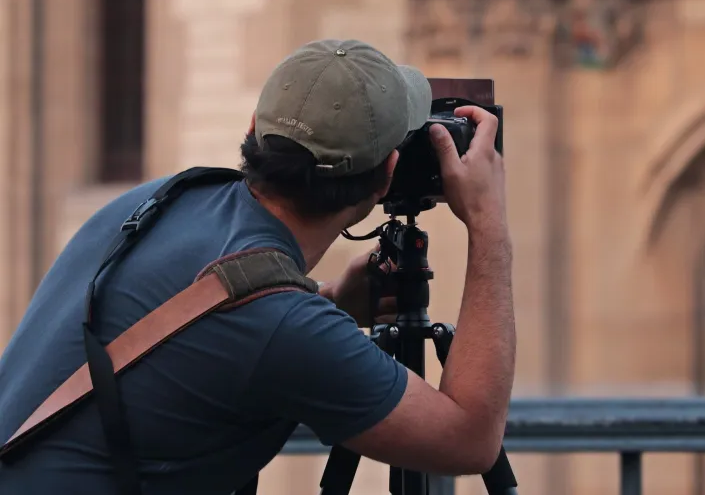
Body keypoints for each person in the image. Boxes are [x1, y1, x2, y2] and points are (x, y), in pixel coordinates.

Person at [0, 39, 515, 494]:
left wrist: (328, 301)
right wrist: (488, 225)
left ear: (255, 129)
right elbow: (469, 441)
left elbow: (215, 333)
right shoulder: (284, 327)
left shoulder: (158, 200)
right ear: (386, 176)